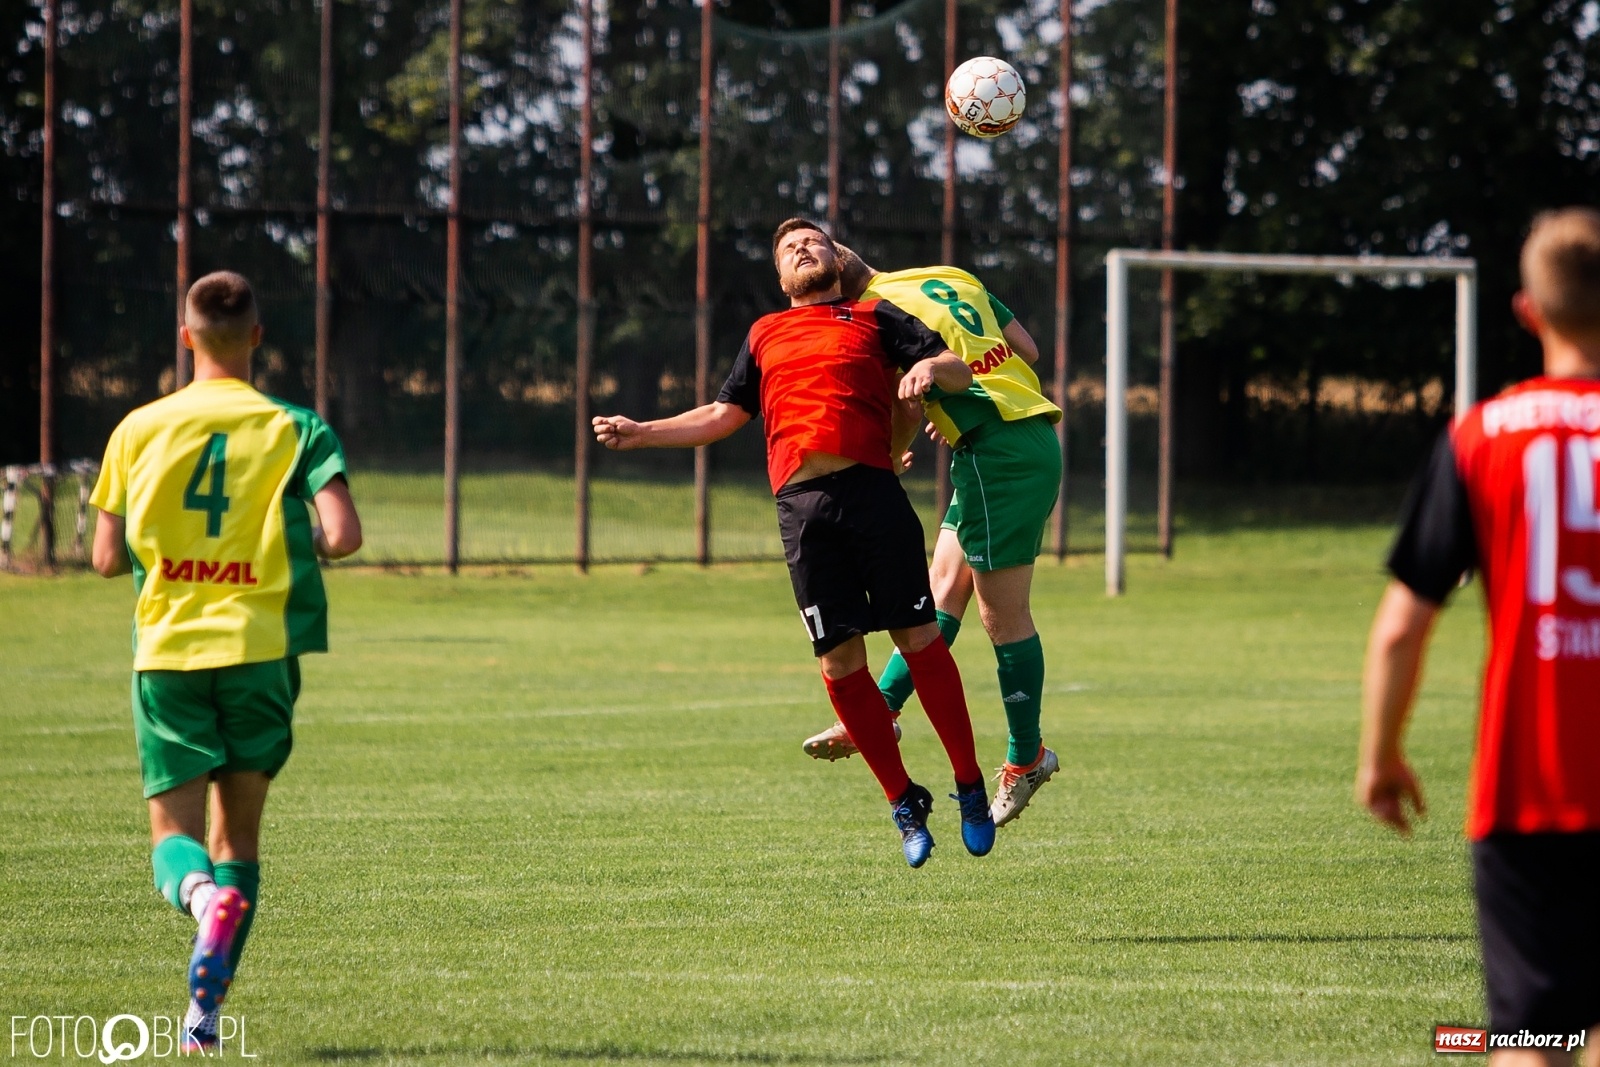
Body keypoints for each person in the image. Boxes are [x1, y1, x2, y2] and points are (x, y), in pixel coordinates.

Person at [592, 218, 993, 868]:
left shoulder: (872, 316)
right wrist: (644, 431)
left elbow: (952, 364)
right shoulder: (765, 333)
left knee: (918, 640)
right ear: (781, 277)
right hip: (803, 513)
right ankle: (903, 800)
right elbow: (722, 415)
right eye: (788, 247)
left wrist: (926, 373)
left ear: (838, 257)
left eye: (813, 240)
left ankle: (970, 785)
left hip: (873, 496)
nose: (802, 247)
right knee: (838, 665)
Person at [90, 272, 363, 1051]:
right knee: (238, 837)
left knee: (172, 839)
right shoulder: (296, 426)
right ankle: (201, 1023)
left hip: (170, 650)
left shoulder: (138, 428)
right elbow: (342, 535)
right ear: (257, 336)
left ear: (186, 338)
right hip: (260, 650)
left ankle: (199, 895)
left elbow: (106, 557)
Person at [1356, 208, 1600, 1067]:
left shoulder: (1482, 435)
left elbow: (1401, 627)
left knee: (1535, 1037)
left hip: (1531, 784)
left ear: (1528, 311)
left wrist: (1380, 756)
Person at [800, 246, 1064, 829]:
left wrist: (893, 455)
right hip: (1015, 436)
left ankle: (1027, 758)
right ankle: (880, 713)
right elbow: (1027, 349)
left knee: (1005, 617)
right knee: (941, 590)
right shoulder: (947, 274)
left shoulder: (869, 313)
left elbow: (906, 399)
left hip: (1001, 450)